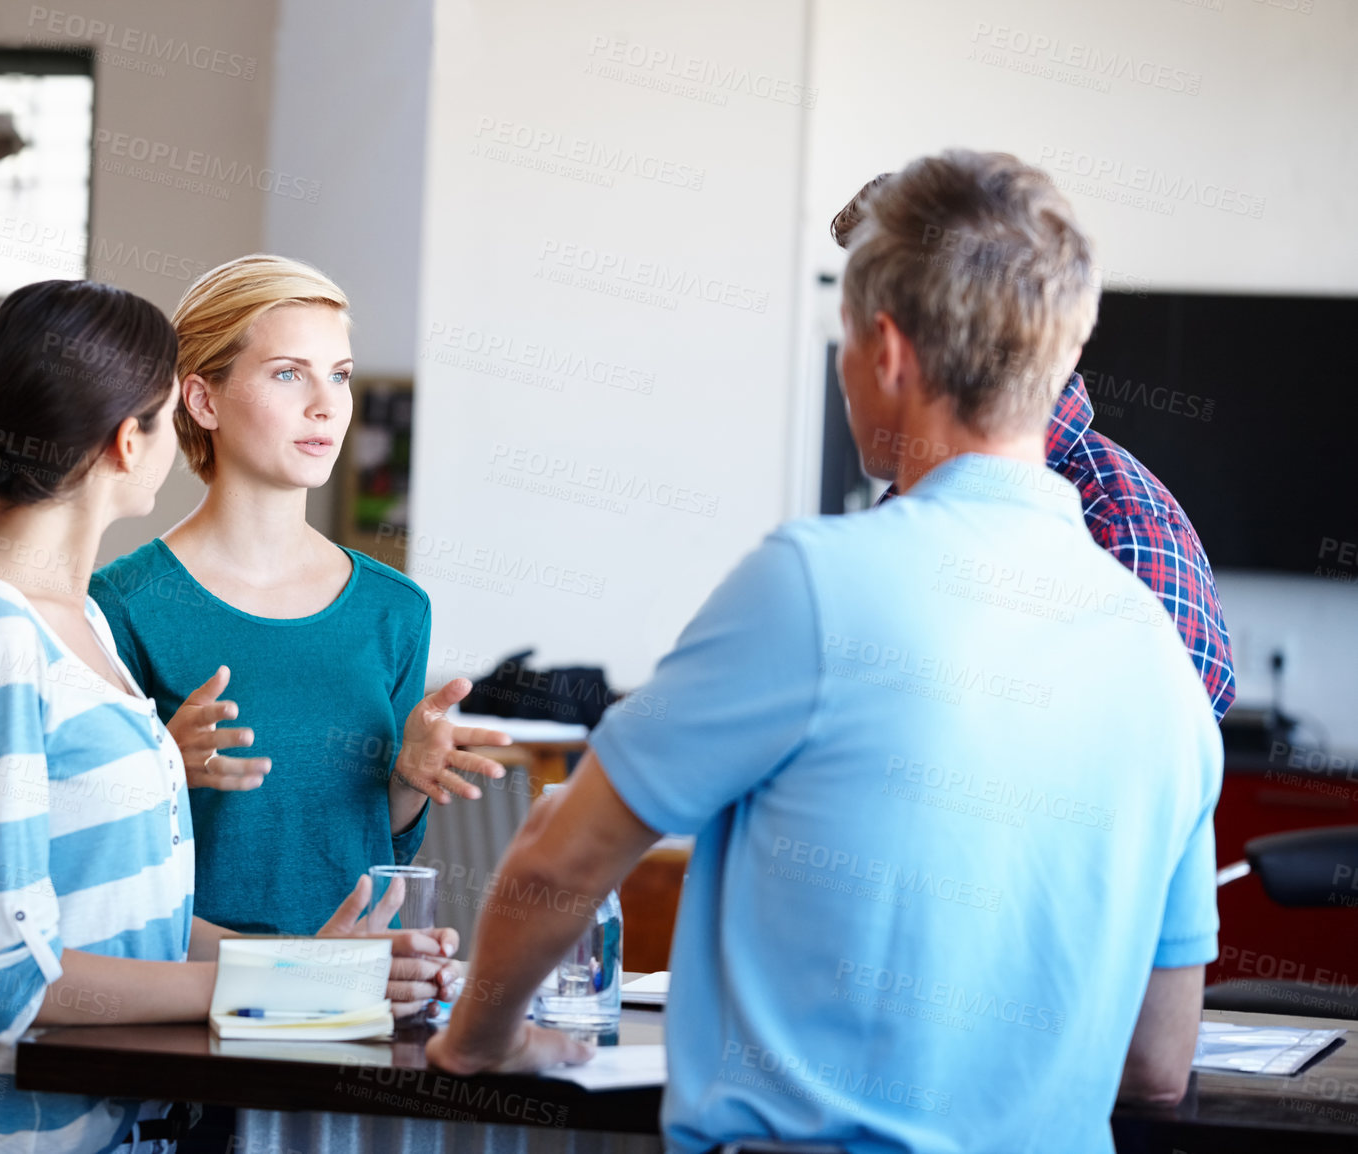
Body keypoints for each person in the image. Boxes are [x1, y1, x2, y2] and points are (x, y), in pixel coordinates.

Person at [428, 152, 1222, 1154]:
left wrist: (476, 1042)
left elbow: (563, 849)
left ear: (885, 349)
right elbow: (1156, 1065)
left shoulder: (815, 579)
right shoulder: (1158, 653)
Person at [0, 280, 460, 1154]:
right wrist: (292, 979)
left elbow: (133, 914)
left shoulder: (85, 630)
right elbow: (11, 983)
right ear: (127, 439)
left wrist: (328, 969)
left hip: (131, 1129)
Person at [90, 255, 509, 938]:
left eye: (338, 375)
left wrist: (407, 781)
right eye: (289, 373)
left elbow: (385, 842)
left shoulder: (396, 610)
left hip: (353, 1004)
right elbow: (92, 857)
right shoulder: (120, 605)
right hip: (183, 1007)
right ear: (201, 400)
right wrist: (162, 763)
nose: (326, 403)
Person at [832, 173, 1236, 720]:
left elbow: (1139, 788)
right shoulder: (902, 511)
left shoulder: (1122, 529)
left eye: (869, 321)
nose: (856, 355)